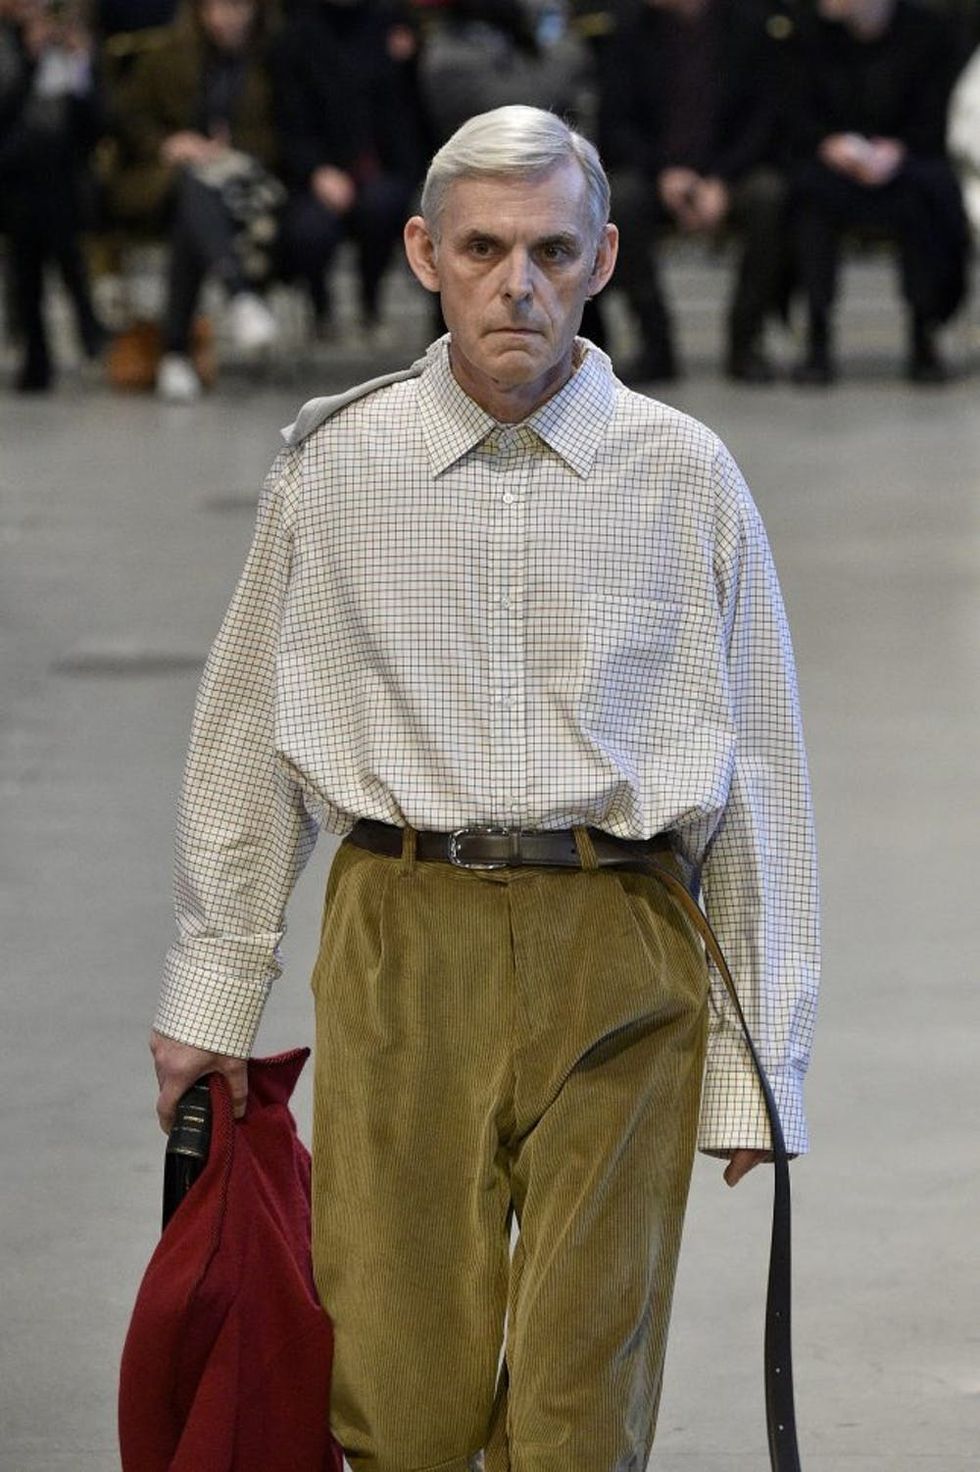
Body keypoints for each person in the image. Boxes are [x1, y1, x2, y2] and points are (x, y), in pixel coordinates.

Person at [150, 105, 819, 1471]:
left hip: (624, 948)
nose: (519, 283)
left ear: (605, 259)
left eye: (553, 250)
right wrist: (212, 1000)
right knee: (403, 1400)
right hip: (403, 940)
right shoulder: (342, 465)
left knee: (583, 1411)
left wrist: (765, 1070)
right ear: (423, 254)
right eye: (484, 248)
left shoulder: (684, 477)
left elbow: (760, 777)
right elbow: (250, 741)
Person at [597, 0, 787, 383]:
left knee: (771, 196)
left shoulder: (750, 29)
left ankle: (746, 339)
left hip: (732, 171)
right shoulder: (628, 31)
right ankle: (655, 342)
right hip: (655, 173)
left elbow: (766, 119)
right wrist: (663, 174)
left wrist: (722, 178)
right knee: (621, 200)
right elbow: (615, 123)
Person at [104, 0, 282, 401]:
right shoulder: (167, 56)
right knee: (193, 188)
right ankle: (239, 295)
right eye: (221, 7)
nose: (229, 17)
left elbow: (282, 129)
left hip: (245, 187)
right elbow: (127, 118)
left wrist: (232, 151)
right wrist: (172, 144)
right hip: (163, 184)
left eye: (239, 8)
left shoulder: (269, 61)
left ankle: (175, 355)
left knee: (194, 213)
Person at [787, 0, 970, 385]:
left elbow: (939, 114)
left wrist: (898, 150)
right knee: (807, 195)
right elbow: (795, 110)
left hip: (906, 161)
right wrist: (829, 144)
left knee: (927, 196)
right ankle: (817, 333)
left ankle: (925, 331)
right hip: (833, 165)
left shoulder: (929, 31)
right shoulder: (810, 33)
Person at [271, 0, 423, 342]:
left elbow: (404, 112)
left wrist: (410, 53)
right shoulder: (295, 37)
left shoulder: (391, 27)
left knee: (383, 204)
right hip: (313, 171)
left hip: (378, 166)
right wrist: (316, 170)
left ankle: (371, 302)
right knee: (311, 229)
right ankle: (320, 308)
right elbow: (287, 120)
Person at [0, 0, 106, 391]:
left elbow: (94, 128)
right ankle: (85, 323)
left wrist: (80, 68)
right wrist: (29, 63)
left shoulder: (74, 54)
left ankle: (59, 341)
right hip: (14, 176)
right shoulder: (8, 48)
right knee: (38, 228)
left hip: (62, 181)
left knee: (49, 211)